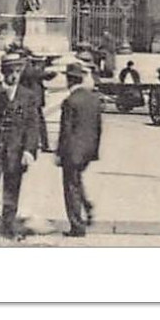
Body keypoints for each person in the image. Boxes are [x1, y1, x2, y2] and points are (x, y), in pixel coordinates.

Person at [0, 53, 44, 238]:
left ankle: (8, 227)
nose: (14, 76)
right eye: (11, 71)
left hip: (16, 150)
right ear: (3, 72)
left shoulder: (28, 96)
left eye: (18, 72)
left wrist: (29, 150)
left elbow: (33, 124)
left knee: (12, 189)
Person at [56, 60, 104, 237]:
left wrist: (60, 153)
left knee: (70, 187)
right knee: (76, 181)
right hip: (88, 150)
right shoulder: (93, 99)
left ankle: (77, 226)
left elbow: (65, 131)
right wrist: (94, 150)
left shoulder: (70, 101)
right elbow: (98, 128)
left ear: (69, 80)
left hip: (72, 151)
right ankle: (87, 206)